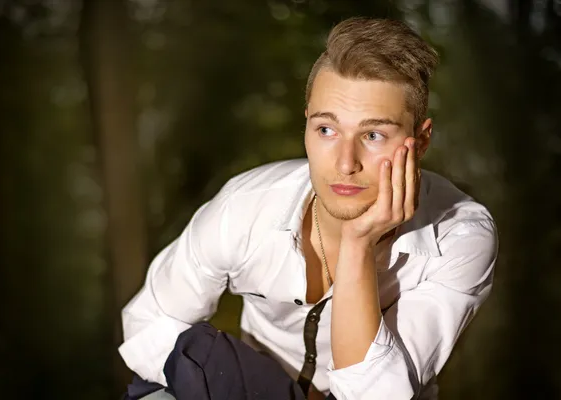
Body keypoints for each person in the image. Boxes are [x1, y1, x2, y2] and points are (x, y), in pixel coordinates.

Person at [119, 17, 498, 400]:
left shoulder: (459, 234)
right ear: (307, 126)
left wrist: (357, 243)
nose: (346, 162)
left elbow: (378, 396)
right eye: (326, 130)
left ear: (420, 140)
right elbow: (148, 322)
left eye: (373, 134)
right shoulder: (246, 206)